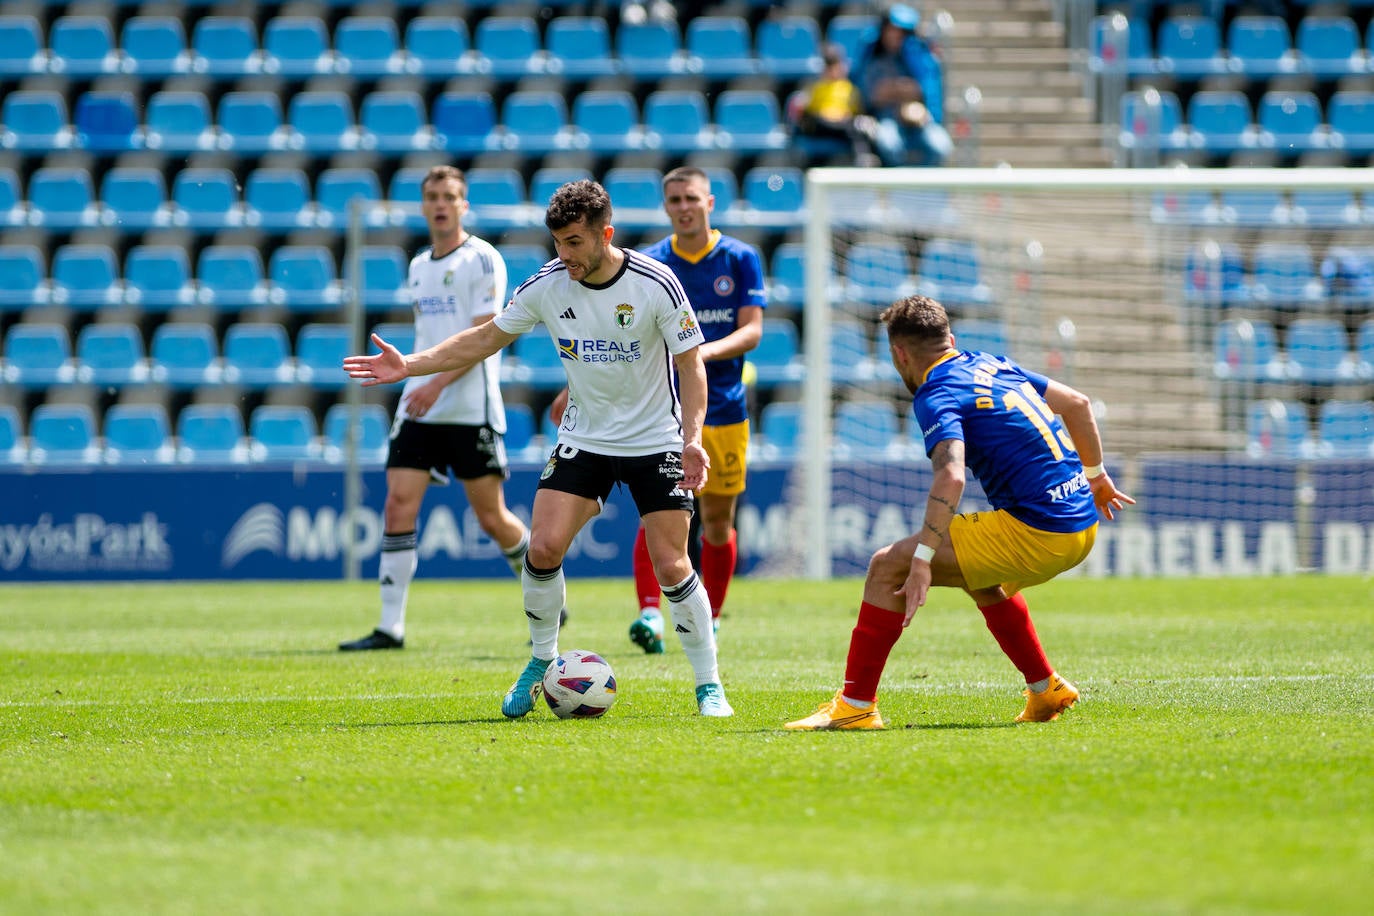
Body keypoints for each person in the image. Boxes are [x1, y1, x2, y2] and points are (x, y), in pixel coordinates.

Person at [344, 179, 734, 717]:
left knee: (670, 563)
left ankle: (708, 684)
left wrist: (692, 438)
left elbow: (690, 364)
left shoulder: (655, 283)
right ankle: (541, 661)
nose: (564, 255)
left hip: (654, 440)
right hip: (585, 438)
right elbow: (484, 338)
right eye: (557, 243)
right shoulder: (548, 284)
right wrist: (410, 365)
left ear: (605, 234)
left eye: (575, 242)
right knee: (542, 549)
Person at [785, 295, 1134, 730]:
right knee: (980, 578)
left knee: (886, 566)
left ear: (899, 354)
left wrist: (922, 560)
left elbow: (951, 477)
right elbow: (1078, 405)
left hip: (1039, 531)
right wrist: (1097, 476)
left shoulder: (937, 392)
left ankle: (855, 706)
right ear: (950, 339)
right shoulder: (991, 362)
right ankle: (1046, 690)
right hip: (1082, 518)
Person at [551, 166, 764, 653]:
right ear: (666, 206)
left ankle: (710, 617)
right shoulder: (649, 263)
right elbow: (603, 338)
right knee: (657, 514)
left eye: (691, 198)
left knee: (716, 520)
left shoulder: (739, 258)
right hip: (653, 410)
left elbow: (753, 332)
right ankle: (650, 614)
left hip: (724, 405)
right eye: (674, 200)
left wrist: (696, 353)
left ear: (709, 203)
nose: (683, 207)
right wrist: (572, 391)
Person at [338, 165, 540, 652]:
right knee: (397, 505)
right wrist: (418, 386)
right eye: (433, 196)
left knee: (492, 519)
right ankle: (391, 627)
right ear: (424, 205)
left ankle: (543, 582)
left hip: (469, 406)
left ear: (463, 205)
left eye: (451, 195)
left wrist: (432, 383)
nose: (441, 204)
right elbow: (430, 336)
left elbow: (484, 339)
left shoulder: (483, 259)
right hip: (420, 405)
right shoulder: (418, 265)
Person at [853, 4, 953, 168]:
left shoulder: (918, 53)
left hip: (917, 119)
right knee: (890, 144)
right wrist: (896, 91)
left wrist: (904, 93)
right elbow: (870, 94)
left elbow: (926, 90)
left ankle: (921, 187)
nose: (896, 36)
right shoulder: (871, 54)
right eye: (892, 30)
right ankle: (900, 189)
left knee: (941, 146)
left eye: (902, 32)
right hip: (886, 118)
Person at [793, 43, 879, 165]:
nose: (833, 71)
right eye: (829, 67)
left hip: (842, 126)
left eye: (836, 66)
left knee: (854, 128)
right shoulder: (817, 87)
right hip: (822, 125)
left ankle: (863, 158)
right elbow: (808, 110)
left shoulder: (849, 89)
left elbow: (856, 110)